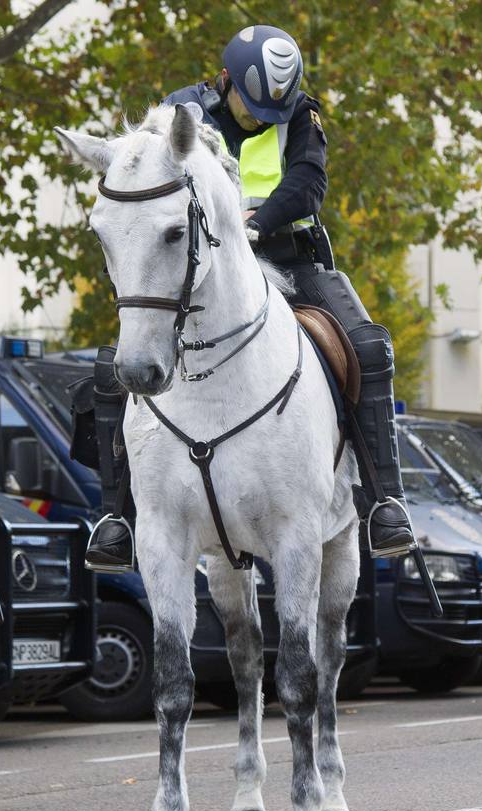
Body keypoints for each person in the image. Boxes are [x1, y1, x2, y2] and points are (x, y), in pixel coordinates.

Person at [83, 24, 415, 573]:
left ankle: (384, 500)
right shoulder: (180, 113)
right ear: (225, 81)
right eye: (253, 105)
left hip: (289, 253)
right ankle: (116, 516)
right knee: (114, 366)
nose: (264, 118)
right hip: (201, 267)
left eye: (274, 111)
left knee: (370, 347)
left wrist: (256, 220)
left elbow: (307, 183)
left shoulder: (302, 115)